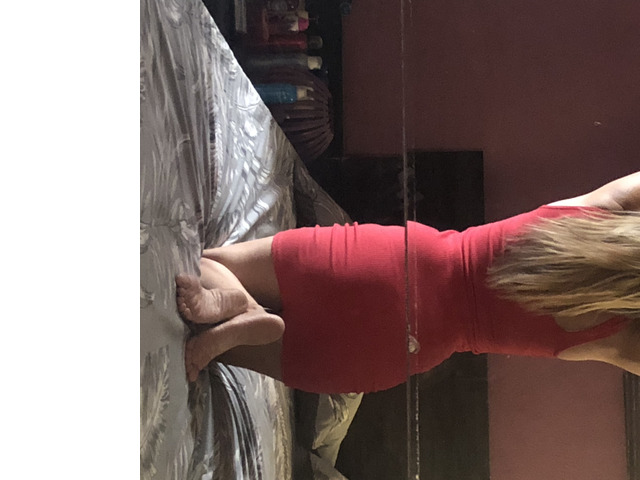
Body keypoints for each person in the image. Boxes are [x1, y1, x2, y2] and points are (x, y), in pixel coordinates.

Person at [176, 172, 640, 394]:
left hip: (401, 263)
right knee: (218, 350)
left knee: (207, 264)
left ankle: (240, 304)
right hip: (409, 345)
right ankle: (245, 323)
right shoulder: (621, 340)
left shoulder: (604, 210)